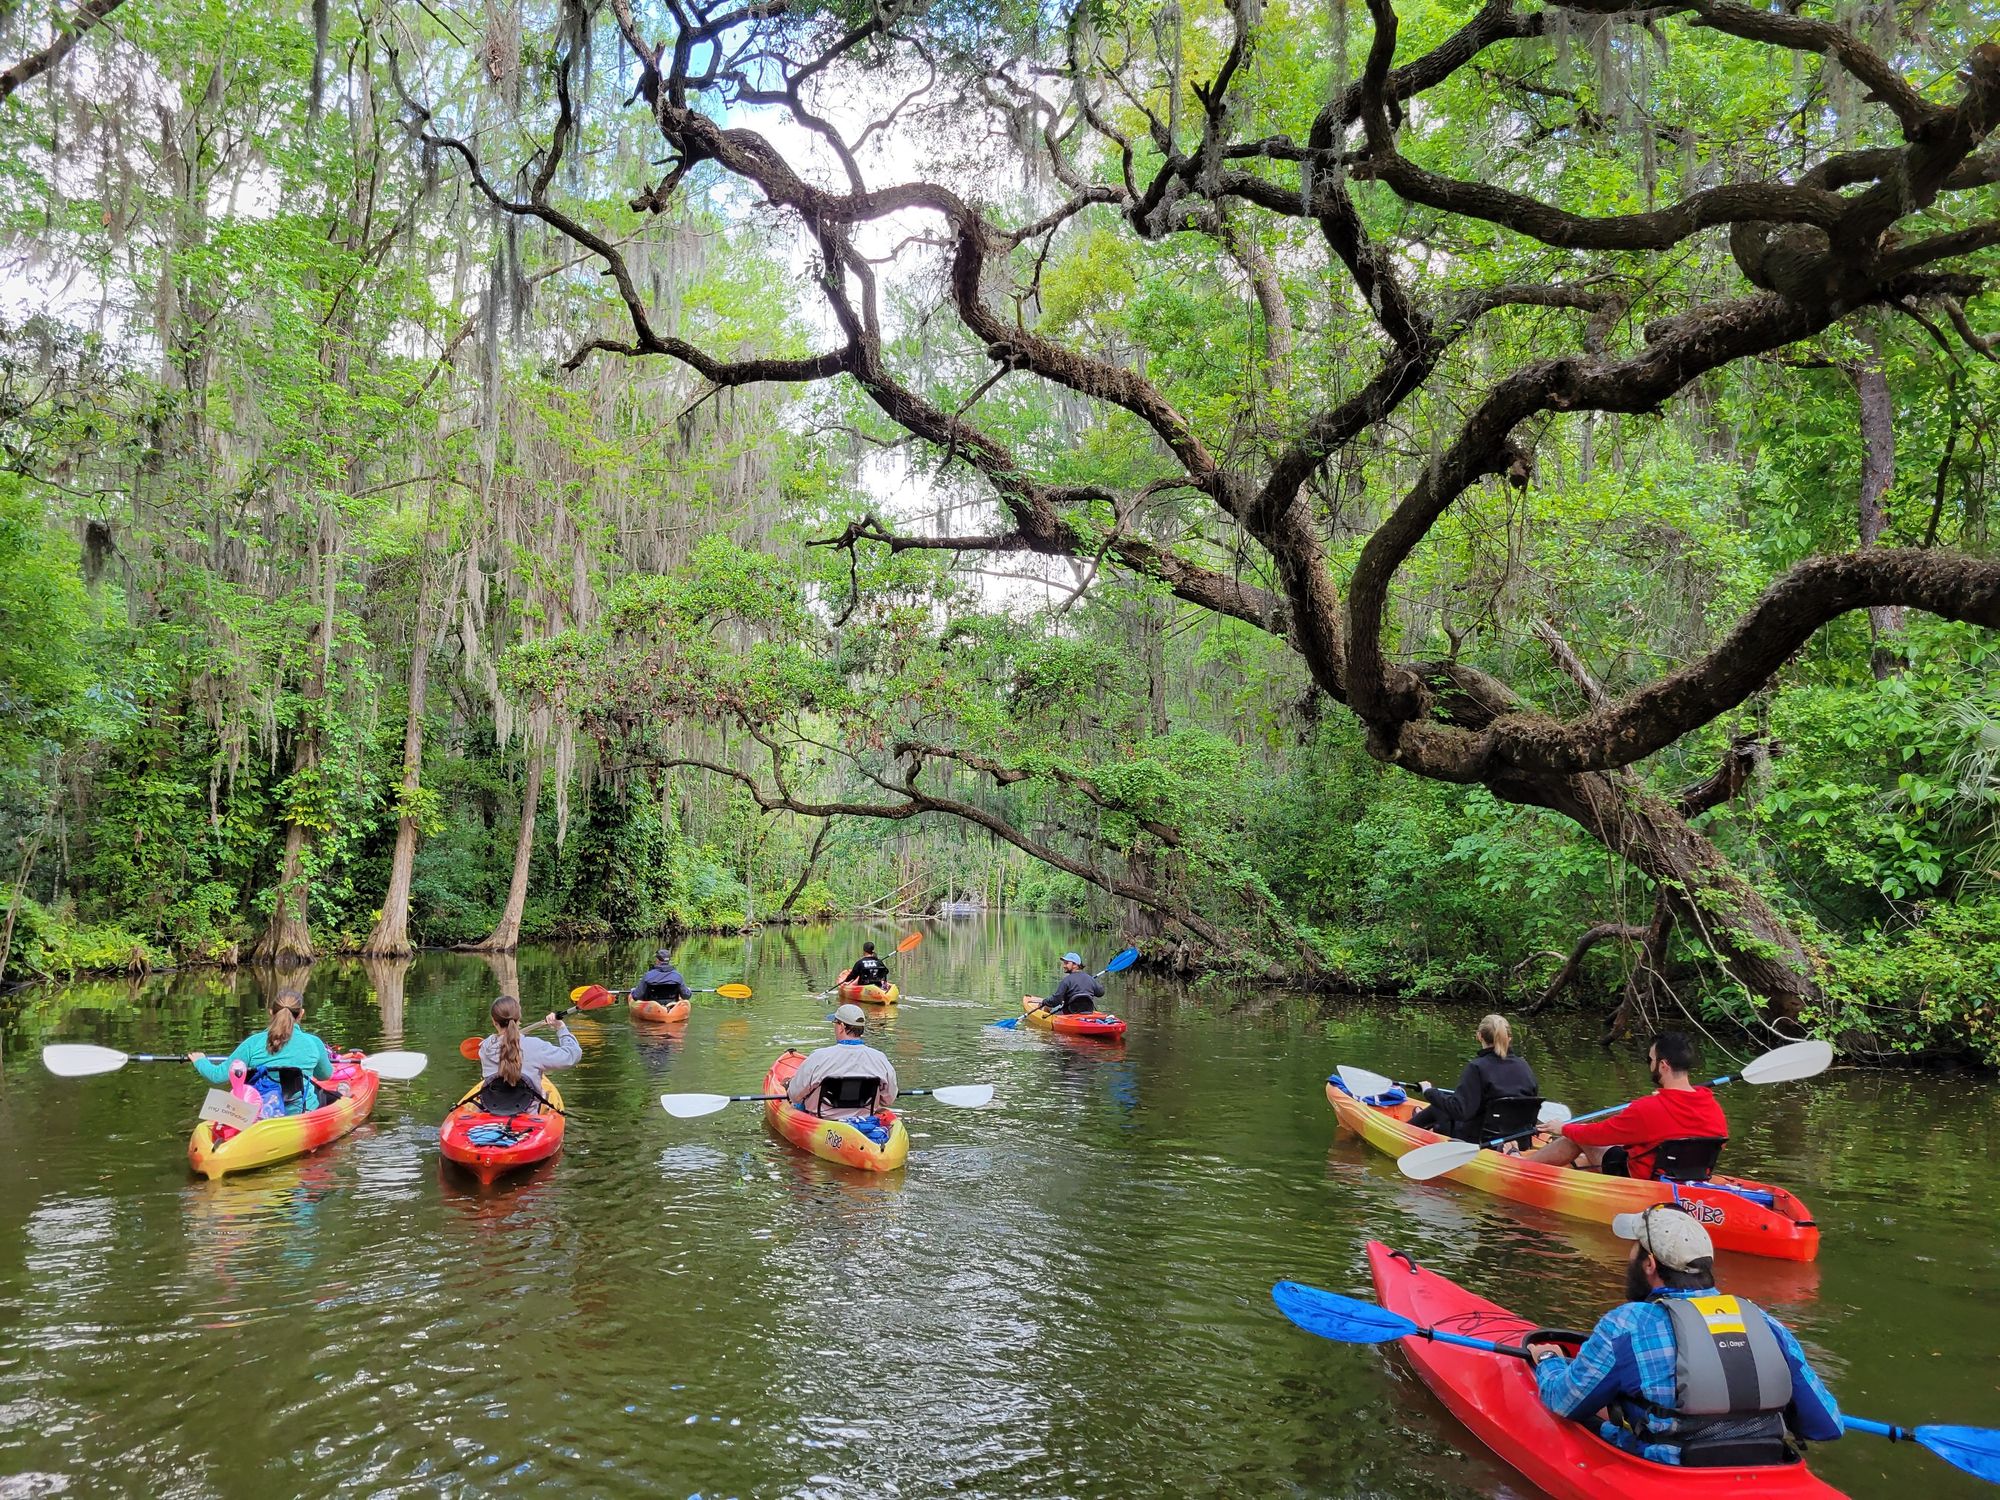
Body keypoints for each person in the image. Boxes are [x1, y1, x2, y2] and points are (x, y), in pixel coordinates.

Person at [1530, 1203, 1841, 1466]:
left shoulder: (1626, 1324)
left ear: (1649, 1264)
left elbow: (1565, 1402)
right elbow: (1826, 1426)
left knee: (1595, 1412)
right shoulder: (1763, 1321)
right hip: (1763, 1463)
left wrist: (1548, 1361)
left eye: (1634, 1248)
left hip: (1669, 1469)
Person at [1515, 1030, 1726, 1180]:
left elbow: (1598, 1135)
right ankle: (1578, 1164)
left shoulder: (1647, 1108)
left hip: (1641, 1178)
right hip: (1688, 1176)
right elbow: (1719, 1144)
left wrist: (1563, 1128)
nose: (1650, 1065)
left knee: (1576, 1136)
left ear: (1663, 1065)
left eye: (1650, 1060)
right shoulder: (1712, 1106)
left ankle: (1519, 1169)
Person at [191, 989, 335, 1117]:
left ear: (271, 1012)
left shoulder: (252, 1043)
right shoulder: (313, 1043)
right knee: (332, 1096)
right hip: (301, 1113)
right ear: (301, 1014)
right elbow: (325, 1075)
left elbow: (217, 1076)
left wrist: (200, 1061)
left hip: (262, 1114)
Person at [1410, 1013, 1538, 1140]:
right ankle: (1429, 1125)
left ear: (1479, 1036)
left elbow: (1460, 1111)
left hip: (1480, 1140)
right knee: (1445, 1098)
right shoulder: (1524, 1065)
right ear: (1509, 1038)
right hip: (1518, 1138)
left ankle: (1408, 1129)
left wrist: (1428, 1091)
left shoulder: (1477, 1067)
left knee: (1437, 1106)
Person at [786, 1003, 898, 1119]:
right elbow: (889, 1099)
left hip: (822, 1121)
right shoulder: (880, 1059)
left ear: (842, 1027)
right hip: (864, 1120)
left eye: (835, 1023)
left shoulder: (818, 1057)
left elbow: (794, 1095)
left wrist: (788, 1085)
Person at [477, 994, 581, 1110]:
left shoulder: (485, 1047)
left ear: (493, 1021)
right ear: (518, 1017)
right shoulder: (535, 1046)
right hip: (528, 1114)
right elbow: (572, 1055)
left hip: (492, 1110)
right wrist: (560, 1027)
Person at [1032, 952, 1104, 1015]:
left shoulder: (1066, 980)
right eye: (1064, 963)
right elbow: (1100, 993)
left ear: (1075, 965)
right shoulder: (1090, 979)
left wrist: (1044, 1001)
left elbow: (1056, 1000)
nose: (1064, 966)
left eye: (1067, 963)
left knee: (1047, 1006)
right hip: (1087, 1012)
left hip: (1069, 1013)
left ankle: (1045, 1022)